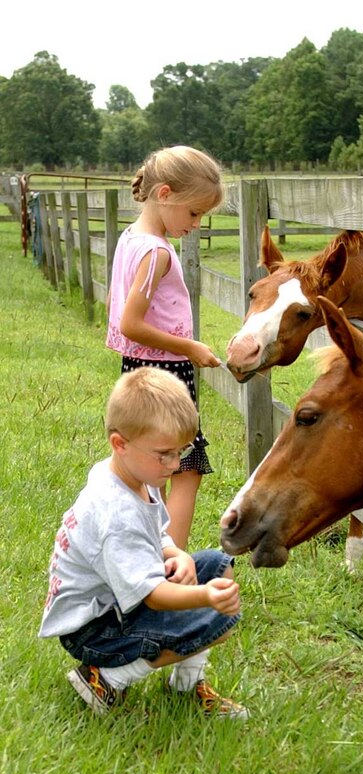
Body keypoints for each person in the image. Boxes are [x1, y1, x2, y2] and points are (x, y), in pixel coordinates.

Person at [39, 367, 248, 719]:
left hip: (118, 604)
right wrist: (204, 597)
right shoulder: (115, 515)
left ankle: (185, 686)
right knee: (216, 615)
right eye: (164, 453)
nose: (174, 464)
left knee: (216, 565)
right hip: (95, 631)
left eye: (180, 451)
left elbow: (158, 533)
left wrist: (176, 554)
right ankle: (105, 677)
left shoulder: (135, 473)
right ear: (120, 444)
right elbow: (151, 594)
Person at [106, 145, 223, 551]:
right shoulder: (157, 252)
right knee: (184, 468)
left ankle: (142, 551)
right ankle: (168, 563)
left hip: (137, 370)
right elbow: (132, 323)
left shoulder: (131, 237)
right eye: (194, 213)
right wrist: (189, 346)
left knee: (147, 463)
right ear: (165, 193)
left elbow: (121, 313)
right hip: (166, 374)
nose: (197, 224)